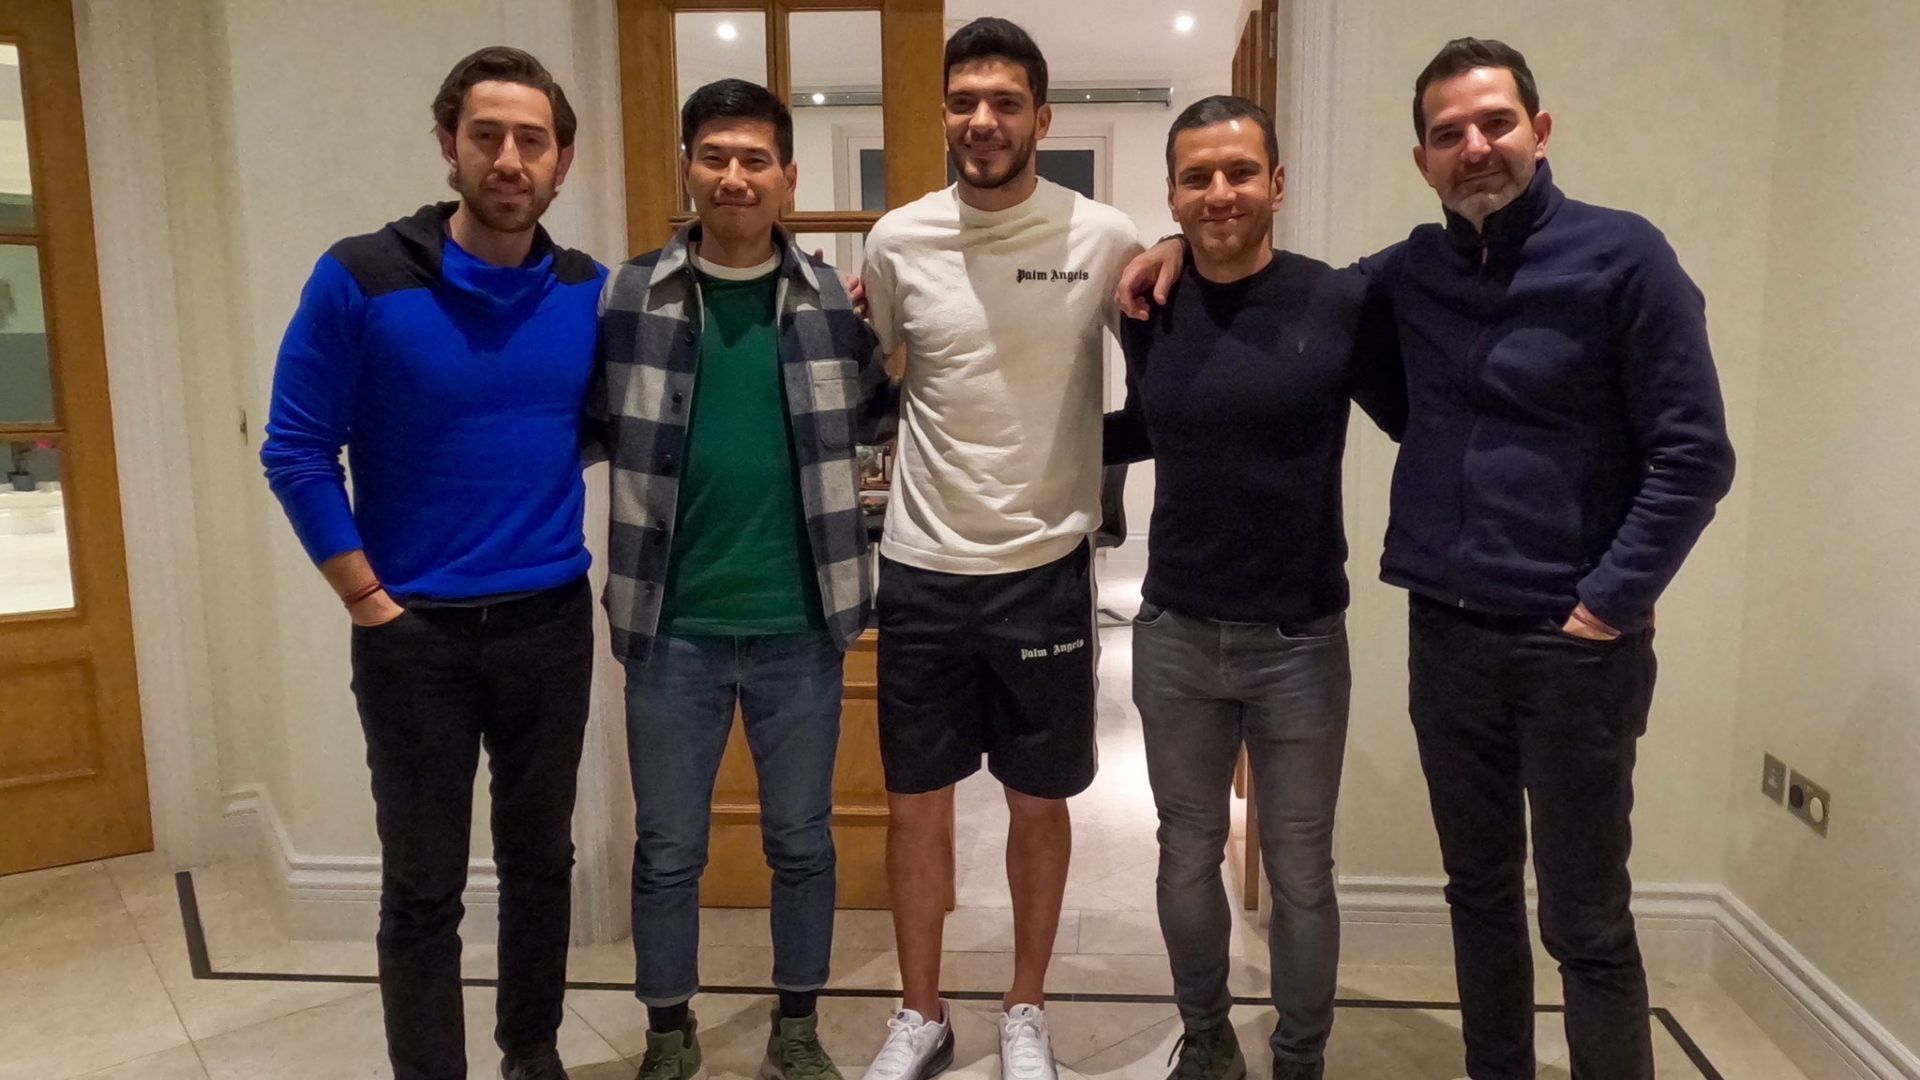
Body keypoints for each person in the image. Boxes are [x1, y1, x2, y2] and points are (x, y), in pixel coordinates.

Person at [1116, 38, 1736, 1080]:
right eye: (1448, 134)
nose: (1474, 147)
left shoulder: (1625, 258)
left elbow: (1694, 454)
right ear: (1423, 159)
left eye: (1494, 124)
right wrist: (1177, 248)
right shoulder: (1406, 275)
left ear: (1540, 132)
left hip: (1576, 643)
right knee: (1480, 895)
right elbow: (1270, 292)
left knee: (1585, 917)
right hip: (1447, 631)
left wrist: (1612, 601)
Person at [260, 46, 602, 1080]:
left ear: (562, 161)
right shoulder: (359, 277)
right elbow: (296, 446)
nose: (509, 158)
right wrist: (366, 599)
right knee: (423, 886)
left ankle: (530, 1054)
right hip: (415, 639)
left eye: (531, 140)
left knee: (543, 863)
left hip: (549, 623)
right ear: (448, 144)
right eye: (488, 135)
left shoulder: (589, 290)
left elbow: (593, 425)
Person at [855, 17, 1143, 1080]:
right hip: (924, 568)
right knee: (915, 803)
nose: (984, 120)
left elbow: (1169, 365)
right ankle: (920, 1012)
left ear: (1041, 117)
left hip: (1045, 574)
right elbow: (879, 372)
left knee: (1039, 800)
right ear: (946, 113)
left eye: (1006, 102)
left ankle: (1025, 1005)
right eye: (966, 101)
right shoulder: (897, 239)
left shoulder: (1103, 236)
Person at [592, 78, 894, 1080]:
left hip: (801, 628)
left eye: (755, 158)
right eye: (714, 156)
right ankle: (669, 1031)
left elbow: (886, 427)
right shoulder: (629, 297)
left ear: (788, 176)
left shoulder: (831, 306)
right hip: (669, 629)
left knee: (803, 843)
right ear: (688, 167)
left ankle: (796, 1026)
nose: (734, 176)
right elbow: (584, 430)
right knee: (670, 849)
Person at [1105, 94, 1403, 1080]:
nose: (1220, 192)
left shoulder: (1342, 302)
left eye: (1239, 172)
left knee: (1303, 869)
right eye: (1197, 177)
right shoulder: (1147, 306)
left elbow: (1423, 421)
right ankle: (1205, 1039)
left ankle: (1301, 1058)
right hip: (1178, 632)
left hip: (1302, 640)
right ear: (1174, 193)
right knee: (1186, 850)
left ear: (1276, 184)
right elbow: (1150, 426)